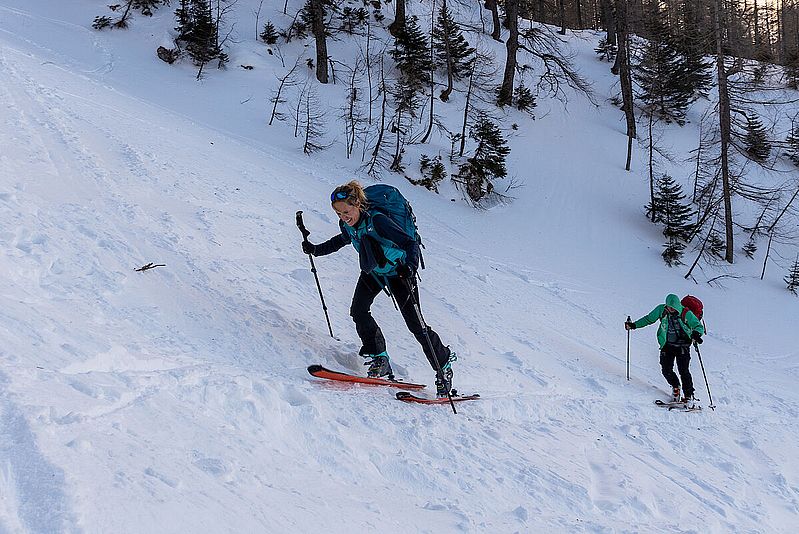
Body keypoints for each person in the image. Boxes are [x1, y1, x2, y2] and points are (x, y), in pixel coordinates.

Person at [301, 181, 456, 397]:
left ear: (358, 205)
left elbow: (409, 244)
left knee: (416, 326)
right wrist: (316, 250)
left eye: (346, 211)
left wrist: (410, 267)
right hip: (374, 272)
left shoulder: (378, 221)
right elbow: (342, 240)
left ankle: (444, 366)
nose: (344, 217)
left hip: (399, 273)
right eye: (338, 214)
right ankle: (379, 357)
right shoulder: (348, 225)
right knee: (358, 310)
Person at [625, 294, 704, 403]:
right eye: (668, 306)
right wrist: (634, 325)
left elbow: (698, 326)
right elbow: (649, 319)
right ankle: (676, 387)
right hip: (667, 345)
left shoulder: (686, 313)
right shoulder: (661, 310)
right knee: (666, 369)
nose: (669, 309)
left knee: (684, 371)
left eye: (671, 307)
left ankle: (689, 396)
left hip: (683, 346)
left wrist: (696, 334)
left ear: (677, 306)